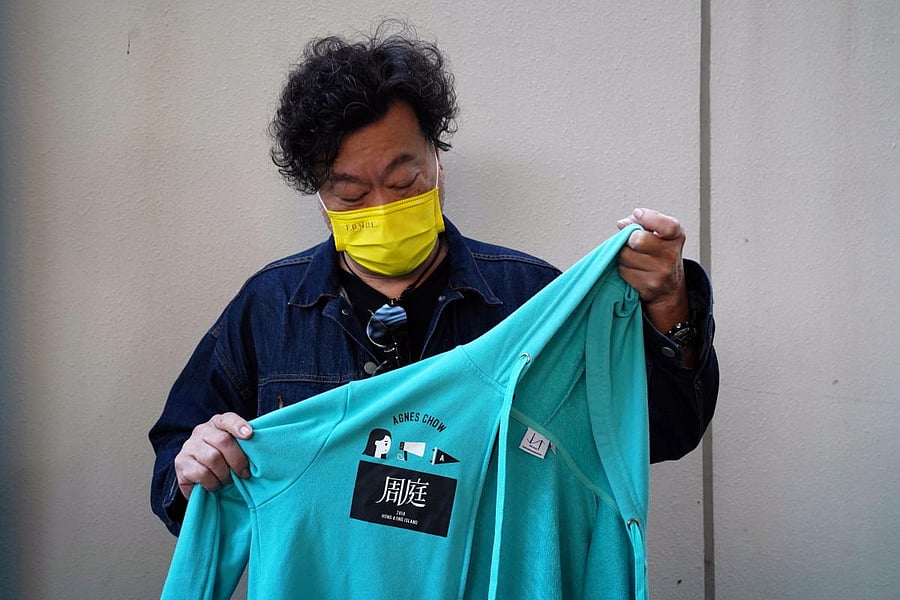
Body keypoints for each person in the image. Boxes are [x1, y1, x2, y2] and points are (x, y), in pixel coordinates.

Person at [149, 24, 718, 536]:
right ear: (320, 196)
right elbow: (175, 467)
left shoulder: (532, 299)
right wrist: (193, 467)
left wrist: (668, 301)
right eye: (351, 194)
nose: (382, 207)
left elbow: (661, 433)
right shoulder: (270, 308)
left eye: (404, 183)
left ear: (438, 160)